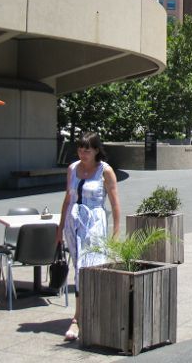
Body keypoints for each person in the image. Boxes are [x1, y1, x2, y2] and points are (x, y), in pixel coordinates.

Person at [56, 132, 121, 342]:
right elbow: (68, 199)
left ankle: (85, 316)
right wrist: (60, 228)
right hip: (73, 223)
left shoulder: (105, 171)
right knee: (78, 269)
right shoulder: (73, 168)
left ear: (96, 150)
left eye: (88, 149)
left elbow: (114, 202)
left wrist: (116, 230)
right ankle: (78, 317)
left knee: (90, 267)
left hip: (94, 223)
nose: (83, 153)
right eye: (80, 149)